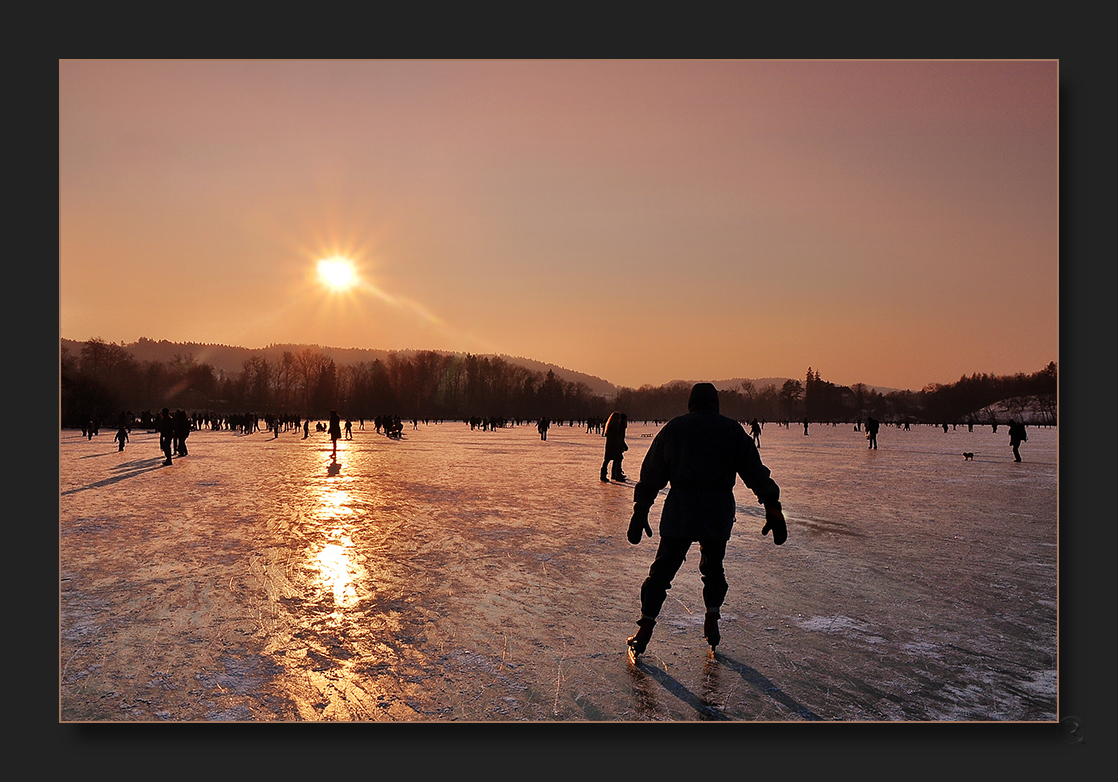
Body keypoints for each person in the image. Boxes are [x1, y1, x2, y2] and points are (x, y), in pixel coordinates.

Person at [626, 383, 786, 660]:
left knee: (662, 573)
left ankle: (645, 629)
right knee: (713, 570)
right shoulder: (732, 430)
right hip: (717, 510)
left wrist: (641, 509)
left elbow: (652, 471)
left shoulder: (675, 428)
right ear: (716, 404)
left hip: (681, 510)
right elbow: (754, 471)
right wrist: (771, 505)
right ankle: (712, 620)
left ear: (691, 403)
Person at [601, 411, 628, 482]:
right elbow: (619, 437)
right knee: (618, 459)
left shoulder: (609, 427)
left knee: (607, 460)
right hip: (615, 446)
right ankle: (617, 475)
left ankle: (604, 475)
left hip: (609, 446)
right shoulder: (616, 428)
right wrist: (622, 445)